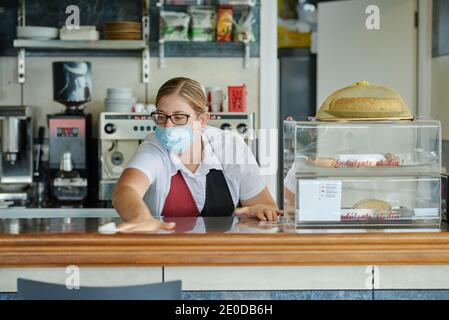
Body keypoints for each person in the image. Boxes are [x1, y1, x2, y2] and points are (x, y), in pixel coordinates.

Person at [112, 77, 282, 233]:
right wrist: (141, 218)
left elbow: (266, 205)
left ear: (202, 120)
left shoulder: (230, 147)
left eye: (179, 117)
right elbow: (126, 190)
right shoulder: (153, 149)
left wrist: (262, 211)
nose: (168, 126)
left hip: (224, 254)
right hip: (167, 255)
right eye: (161, 117)